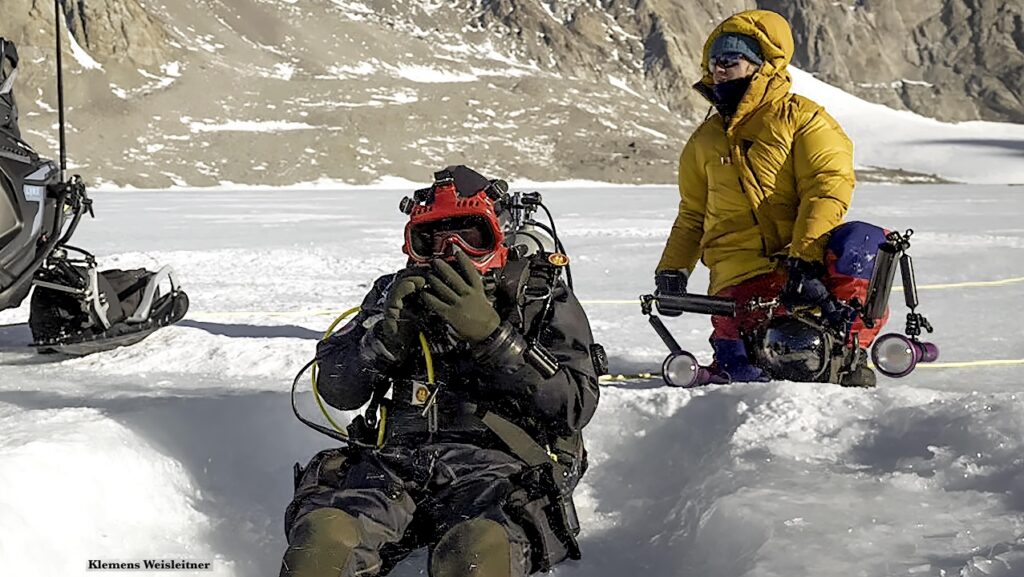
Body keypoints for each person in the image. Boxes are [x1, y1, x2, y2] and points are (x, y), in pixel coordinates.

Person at [280, 166, 603, 577]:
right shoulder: (391, 294)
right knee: (325, 539)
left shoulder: (535, 294)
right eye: (433, 238)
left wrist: (493, 336)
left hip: (498, 469)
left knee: (473, 554)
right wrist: (384, 339)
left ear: (498, 236)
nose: (451, 252)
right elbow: (338, 390)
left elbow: (574, 406)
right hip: (395, 466)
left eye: (470, 236)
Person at [653, 9, 878, 386]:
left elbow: (827, 187)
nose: (719, 69)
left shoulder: (803, 119)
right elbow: (692, 214)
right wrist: (672, 270)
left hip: (803, 273)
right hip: (738, 280)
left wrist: (804, 260)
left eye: (730, 60)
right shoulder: (703, 141)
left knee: (865, 241)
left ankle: (848, 349)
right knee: (746, 377)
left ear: (761, 66)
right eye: (714, 61)